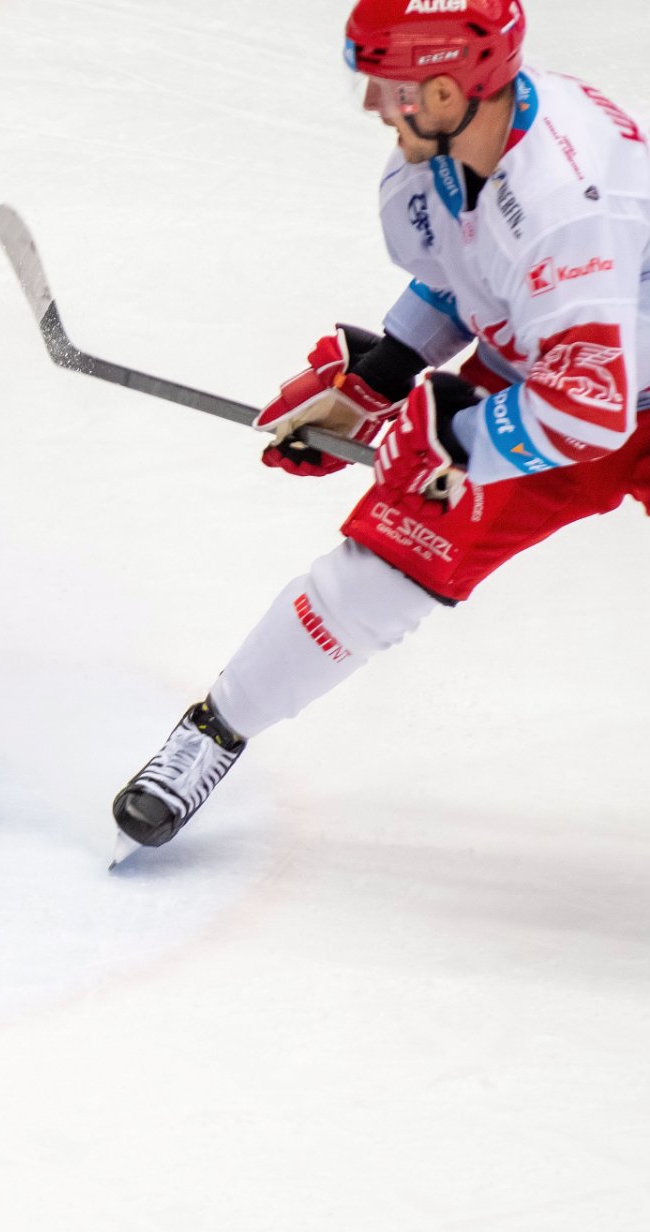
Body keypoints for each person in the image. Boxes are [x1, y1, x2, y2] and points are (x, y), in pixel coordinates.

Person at [111, 0, 650, 861]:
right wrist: (382, 378)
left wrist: (457, 440)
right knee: (389, 560)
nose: (371, 104)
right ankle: (214, 731)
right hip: (550, 373)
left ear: (445, 93)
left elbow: (592, 406)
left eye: (388, 86)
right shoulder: (442, 160)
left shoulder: (563, 197)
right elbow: (469, 274)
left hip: (595, 388)